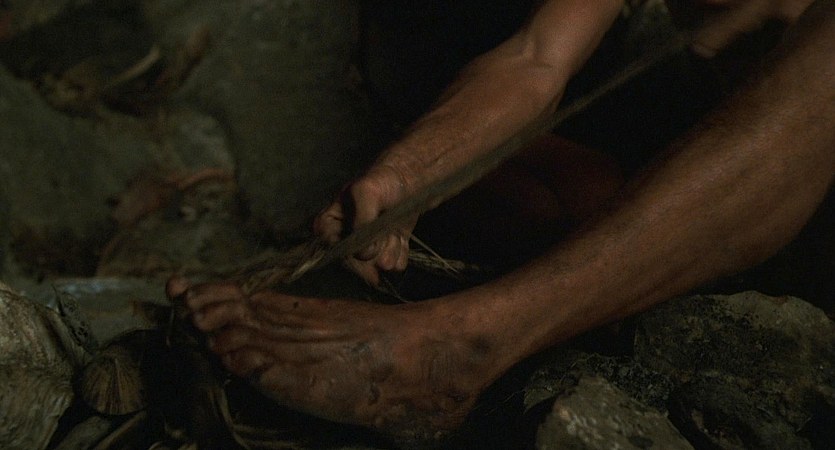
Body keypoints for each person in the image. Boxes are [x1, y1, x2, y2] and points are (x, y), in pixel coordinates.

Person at [167, 0, 834, 441]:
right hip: (737, 195)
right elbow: (535, 59)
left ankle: (461, 347)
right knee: (577, 199)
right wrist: (407, 177)